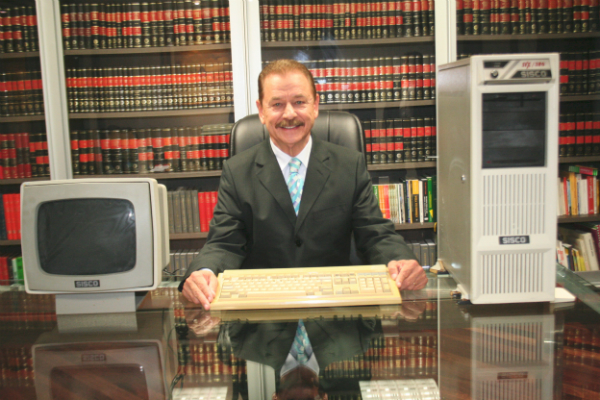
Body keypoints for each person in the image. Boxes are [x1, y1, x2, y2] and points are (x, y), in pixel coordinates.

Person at [180, 59, 428, 309]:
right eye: (277, 104)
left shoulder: (349, 165)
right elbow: (224, 242)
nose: (289, 114)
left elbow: (375, 233)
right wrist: (204, 271)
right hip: (263, 313)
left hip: (335, 309)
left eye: (299, 102)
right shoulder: (237, 171)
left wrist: (400, 260)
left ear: (315, 105)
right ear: (262, 111)